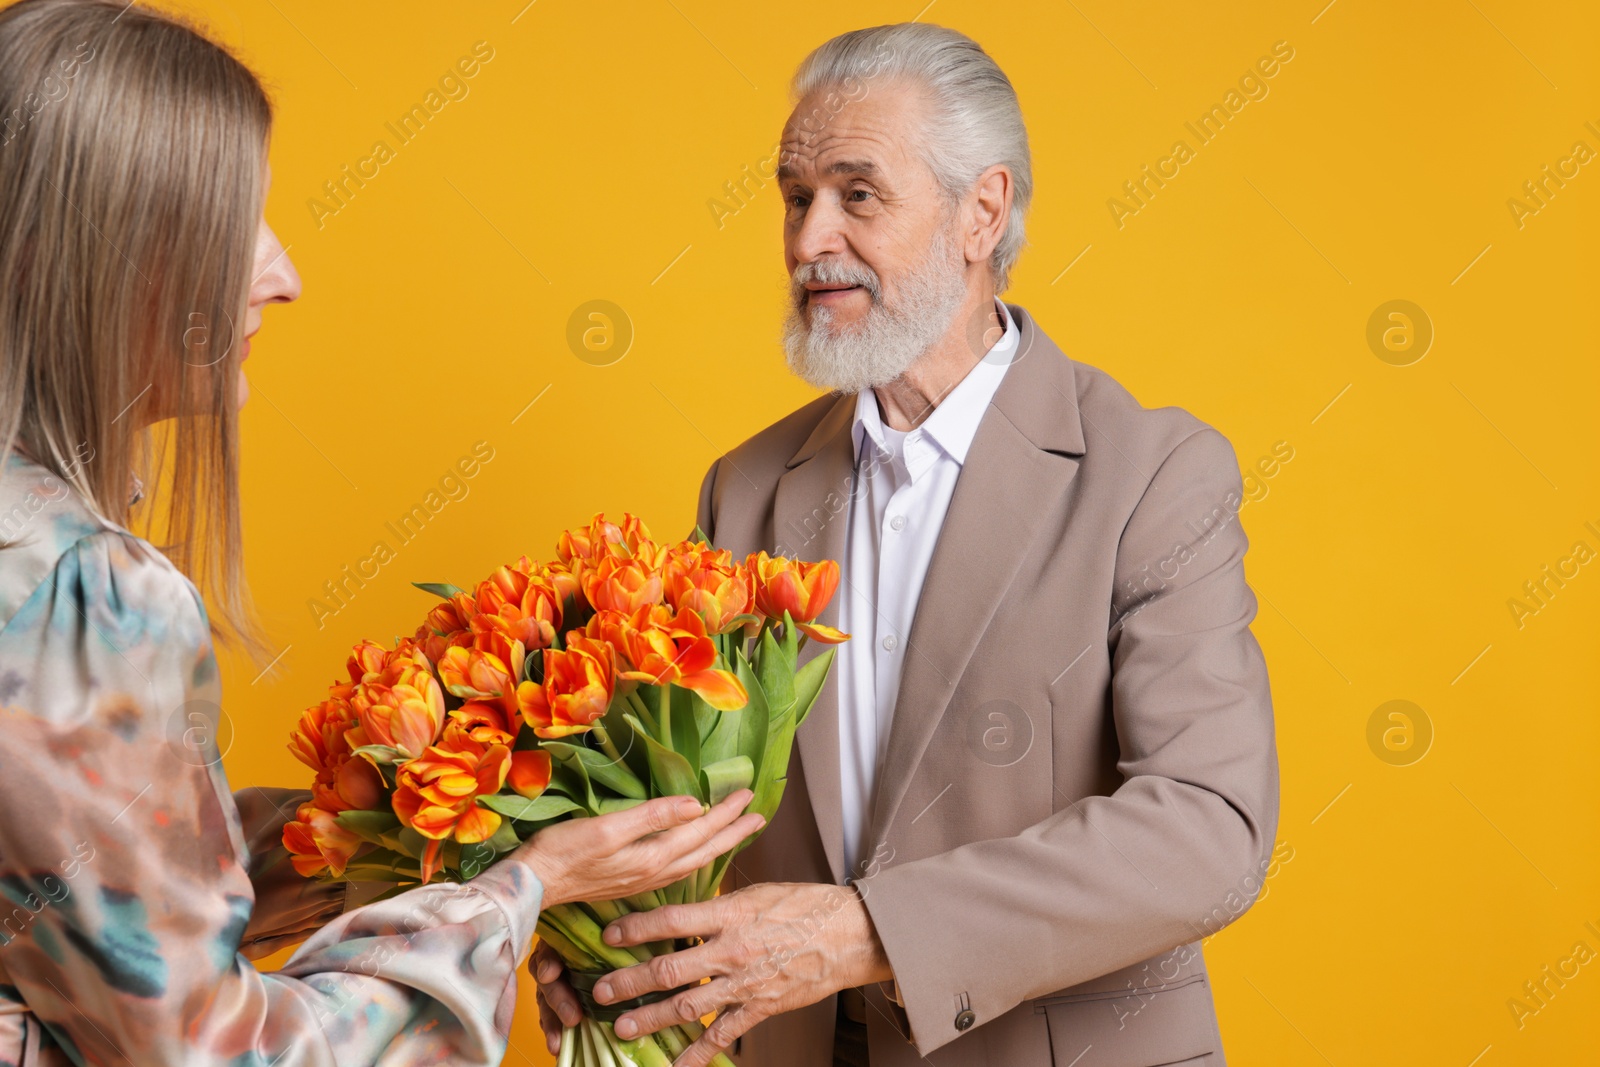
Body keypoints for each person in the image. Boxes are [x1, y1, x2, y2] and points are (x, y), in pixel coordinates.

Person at [0, 2, 766, 1064]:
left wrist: (431, 818)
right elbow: (213, 1054)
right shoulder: (85, 595)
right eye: (235, 223)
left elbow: (79, 894)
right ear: (98, 260)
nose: (282, 273)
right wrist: (516, 894)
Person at [533, 21, 1280, 1067]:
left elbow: (1208, 829)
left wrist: (865, 932)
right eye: (795, 198)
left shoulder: (1154, 475)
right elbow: (688, 807)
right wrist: (594, 924)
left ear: (983, 211)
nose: (805, 241)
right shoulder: (743, 491)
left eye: (857, 194)